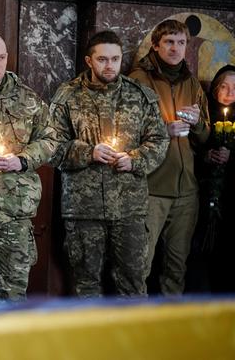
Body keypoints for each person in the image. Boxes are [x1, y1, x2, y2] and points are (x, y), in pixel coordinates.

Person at [49, 30, 169, 297]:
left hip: (129, 208)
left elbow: (159, 140)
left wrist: (134, 159)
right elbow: (50, 147)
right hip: (83, 209)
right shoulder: (67, 96)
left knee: (133, 283)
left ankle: (134, 338)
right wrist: (88, 153)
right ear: (89, 61)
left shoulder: (140, 95)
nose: (110, 65)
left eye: (115, 59)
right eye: (102, 59)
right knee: (85, 284)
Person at [0, 32, 60, 303]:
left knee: (14, 292)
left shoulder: (27, 99)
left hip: (14, 207)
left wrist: (23, 159)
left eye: (1, 58)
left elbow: (52, 139)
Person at [129, 19, 210, 295]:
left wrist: (198, 123)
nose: (175, 48)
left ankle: (169, 329)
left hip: (186, 190)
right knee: (140, 266)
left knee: (177, 267)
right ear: (156, 44)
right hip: (151, 189)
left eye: (181, 42)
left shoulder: (192, 82)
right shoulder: (139, 80)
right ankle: (134, 328)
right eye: (169, 42)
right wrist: (164, 129)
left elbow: (205, 138)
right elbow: (125, 132)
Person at [202, 65, 235, 293]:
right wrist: (206, 156)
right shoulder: (204, 112)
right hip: (206, 198)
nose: (229, 93)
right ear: (214, 90)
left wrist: (233, 156)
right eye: (223, 87)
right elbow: (192, 147)